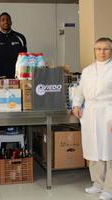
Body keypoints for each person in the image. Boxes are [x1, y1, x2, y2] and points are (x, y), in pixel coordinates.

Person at [72, 37, 112, 200]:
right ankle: (98, 183)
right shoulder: (87, 70)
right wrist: (76, 105)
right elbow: (80, 90)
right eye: (98, 48)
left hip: (108, 112)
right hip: (90, 113)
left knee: (109, 151)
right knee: (93, 150)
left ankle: (109, 188)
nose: (102, 52)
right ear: (94, 50)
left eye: (106, 48)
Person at [0, 12, 27, 78]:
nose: (6, 21)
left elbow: (25, 59)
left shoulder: (20, 38)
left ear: (11, 22)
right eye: (3, 20)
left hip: (17, 77)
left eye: (8, 19)